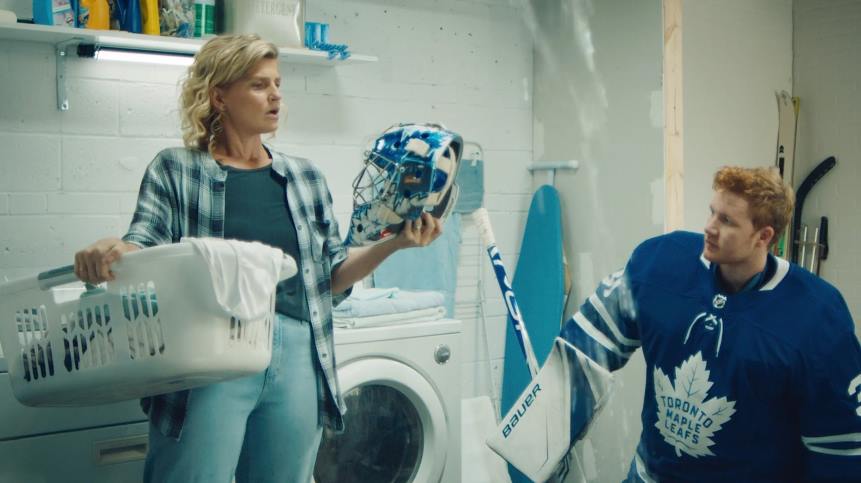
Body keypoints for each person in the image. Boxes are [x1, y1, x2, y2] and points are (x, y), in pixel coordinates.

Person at [73, 34, 444, 482]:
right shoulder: (176, 168)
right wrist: (115, 249)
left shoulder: (305, 177)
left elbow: (331, 277)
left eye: (277, 84)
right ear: (219, 96)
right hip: (211, 355)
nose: (275, 96)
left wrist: (394, 244)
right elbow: (144, 241)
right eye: (258, 85)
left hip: (298, 357)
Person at [495, 166, 861, 482]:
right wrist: (540, 440)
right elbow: (586, 346)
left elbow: (842, 446)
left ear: (763, 236)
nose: (709, 227)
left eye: (727, 221)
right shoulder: (661, 263)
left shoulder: (817, 316)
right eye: (712, 212)